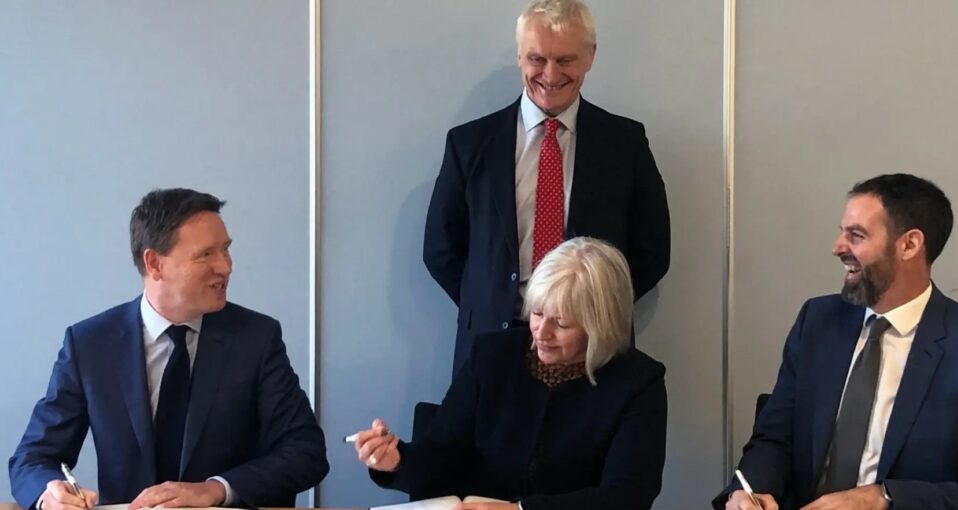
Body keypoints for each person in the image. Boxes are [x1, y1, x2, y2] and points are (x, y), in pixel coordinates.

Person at [714, 174, 958, 510]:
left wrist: (883, 498)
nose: (837, 247)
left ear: (909, 245)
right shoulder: (818, 321)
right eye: (841, 232)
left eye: (856, 235)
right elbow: (775, 437)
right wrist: (749, 492)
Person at [9, 188, 328, 510]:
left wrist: (215, 489)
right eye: (206, 254)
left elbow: (305, 451)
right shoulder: (90, 344)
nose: (226, 267)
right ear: (155, 264)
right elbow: (33, 458)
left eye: (226, 250)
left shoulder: (256, 338)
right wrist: (48, 494)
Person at [422, 0, 671, 375]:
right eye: (537, 59)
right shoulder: (469, 144)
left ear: (590, 57)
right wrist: (489, 303)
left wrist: (594, 311)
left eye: (566, 60)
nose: (550, 74)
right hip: (492, 348)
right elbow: (441, 249)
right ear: (520, 57)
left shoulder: (625, 144)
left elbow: (652, 250)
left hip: (592, 351)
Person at [354, 237, 667, 510]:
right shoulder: (493, 355)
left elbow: (628, 496)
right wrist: (395, 462)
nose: (540, 332)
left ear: (600, 325)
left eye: (561, 323)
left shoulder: (638, 382)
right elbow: (441, 452)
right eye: (537, 313)